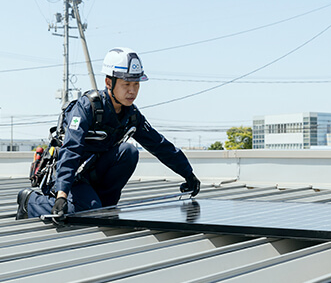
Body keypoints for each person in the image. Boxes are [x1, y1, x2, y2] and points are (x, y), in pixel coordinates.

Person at [17, 47, 201, 221]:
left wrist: (188, 174)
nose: (132, 91)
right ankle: (29, 201)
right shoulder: (87, 107)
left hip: (92, 173)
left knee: (128, 152)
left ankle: (102, 204)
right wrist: (62, 194)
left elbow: (159, 145)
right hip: (67, 176)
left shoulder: (131, 115)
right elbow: (71, 149)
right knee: (83, 212)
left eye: (136, 84)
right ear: (108, 82)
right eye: (126, 84)